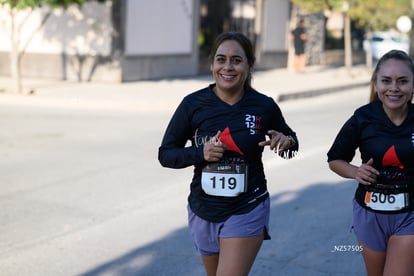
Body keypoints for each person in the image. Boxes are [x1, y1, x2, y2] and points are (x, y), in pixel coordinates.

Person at [158, 31, 298, 276]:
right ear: (212, 64)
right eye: (221, 59)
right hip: (202, 208)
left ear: (249, 65)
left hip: (247, 206)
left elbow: (291, 144)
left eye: (236, 60)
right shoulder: (193, 104)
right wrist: (201, 153)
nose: (227, 67)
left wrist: (287, 141)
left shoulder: (263, 105)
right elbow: (166, 154)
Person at [327, 49, 414, 276]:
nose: (394, 88)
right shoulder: (362, 118)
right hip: (369, 212)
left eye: (402, 81)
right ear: (376, 84)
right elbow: (335, 159)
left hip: (410, 213)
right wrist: (356, 172)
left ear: (412, 85)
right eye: (386, 81)